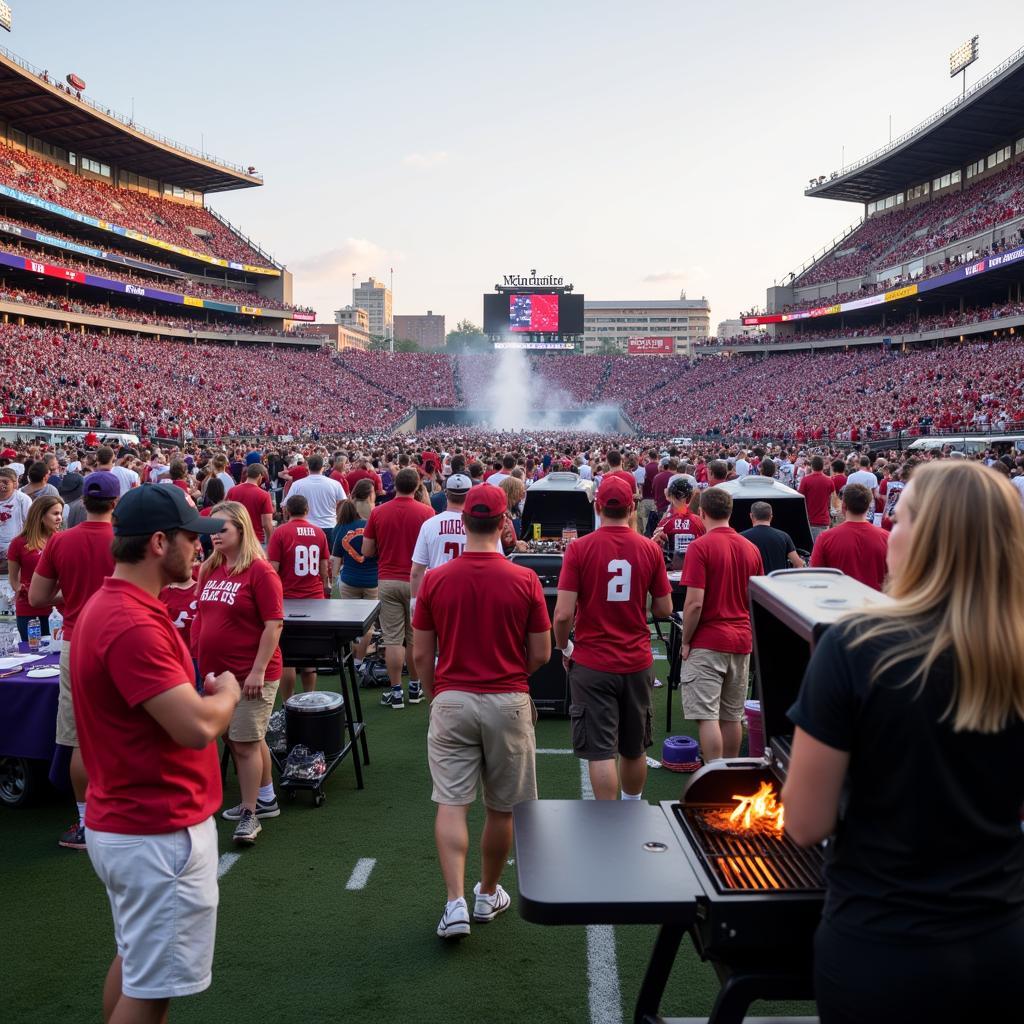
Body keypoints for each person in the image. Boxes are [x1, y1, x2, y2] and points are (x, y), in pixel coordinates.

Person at [783, 461, 1024, 1024]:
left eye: (904, 517)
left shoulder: (856, 646)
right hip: (1002, 942)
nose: (891, 526)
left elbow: (804, 823)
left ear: (926, 539)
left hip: (882, 944)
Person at [72, 485, 237, 1024]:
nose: (200, 548)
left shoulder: (116, 605)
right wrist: (228, 694)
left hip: (133, 818)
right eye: (192, 537)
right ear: (158, 542)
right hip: (155, 827)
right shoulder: (131, 621)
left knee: (136, 965)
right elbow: (194, 727)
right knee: (151, 990)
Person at [412, 483, 551, 939]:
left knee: (452, 804)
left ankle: (454, 903)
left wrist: (436, 695)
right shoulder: (525, 579)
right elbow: (542, 653)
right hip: (507, 699)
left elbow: (420, 654)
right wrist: (511, 674)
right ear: (504, 523)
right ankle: (487, 894)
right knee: (502, 808)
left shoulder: (435, 579)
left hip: (452, 697)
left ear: (464, 521)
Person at [553, 475, 672, 801]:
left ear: (597, 505)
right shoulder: (649, 549)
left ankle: (608, 823)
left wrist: (565, 647)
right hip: (635, 658)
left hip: (592, 661)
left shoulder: (578, 548)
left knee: (601, 752)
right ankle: (631, 810)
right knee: (633, 748)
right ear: (632, 507)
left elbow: (562, 614)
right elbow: (664, 608)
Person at [30, 470, 118, 850]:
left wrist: (67, 598)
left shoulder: (61, 541)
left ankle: (86, 823)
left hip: (77, 640)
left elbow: (36, 597)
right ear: (115, 502)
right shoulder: (127, 540)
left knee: (79, 737)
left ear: (83, 499)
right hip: (123, 639)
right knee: (127, 728)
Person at [193, 501, 284, 845]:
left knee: (244, 742)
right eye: (212, 529)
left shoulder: (260, 571)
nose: (214, 535)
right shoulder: (209, 568)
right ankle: (266, 798)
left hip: (251, 672)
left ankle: (250, 813)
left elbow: (274, 624)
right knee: (240, 737)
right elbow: (202, 616)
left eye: (223, 529)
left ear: (242, 531)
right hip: (217, 673)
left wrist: (258, 670)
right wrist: (199, 658)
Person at [679, 486, 764, 763]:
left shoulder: (700, 546)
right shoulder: (750, 548)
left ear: (702, 513)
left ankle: (713, 775)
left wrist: (686, 640)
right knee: (731, 716)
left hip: (709, 640)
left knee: (707, 717)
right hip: (741, 640)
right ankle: (728, 777)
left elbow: (694, 604)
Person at [361, 466, 434, 709]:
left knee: (392, 638)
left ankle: (395, 692)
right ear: (416, 487)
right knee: (414, 638)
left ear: (395, 485)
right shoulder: (427, 512)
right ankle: (414, 686)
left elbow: (367, 550)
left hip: (388, 578)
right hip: (417, 581)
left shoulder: (379, 512)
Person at [268, 493, 330, 703]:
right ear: (307, 510)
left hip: (288, 599)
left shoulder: (280, 533)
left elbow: (273, 569)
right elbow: (323, 568)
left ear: (286, 511)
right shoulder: (319, 532)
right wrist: (326, 586)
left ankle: (288, 703)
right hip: (314, 597)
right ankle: (309, 699)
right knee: (310, 654)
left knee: (288, 657)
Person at [330, 478, 378, 668]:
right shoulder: (374, 523)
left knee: (351, 623)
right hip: (373, 580)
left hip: (349, 579)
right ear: (369, 496)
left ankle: (353, 658)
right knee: (369, 625)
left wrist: (333, 580)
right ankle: (359, 661)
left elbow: (336, 557)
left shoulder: (341, 525)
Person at [809, 483, 889, 591]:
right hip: (876, 603)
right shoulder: (887, 538)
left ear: (844, 506)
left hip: (839, 603)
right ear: (868, 506)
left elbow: (816, 576)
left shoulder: (825, 538)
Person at [7, 494, 63, 642]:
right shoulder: (18, 543)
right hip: (29, 611)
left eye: (61, 514)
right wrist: (19, 588)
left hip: (59, 610)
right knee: (33, 655)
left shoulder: (63, 540)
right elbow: (13, 579)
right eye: (55, 513)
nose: (60, 518)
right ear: (40, 515)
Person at [286, 454, 347, 549]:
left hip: (305, 527)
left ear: (308, 467)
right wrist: (336, 512)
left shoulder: (297, 484)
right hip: (329, 525)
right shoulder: (335, 484)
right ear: (322, 467)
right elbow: (343, 501)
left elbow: (286, 505)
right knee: (328, 559)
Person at [651, 475, 705, 568]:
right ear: (691, 496)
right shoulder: (699, 521)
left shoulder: (665, 522)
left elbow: (655, 548)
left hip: (671, 569)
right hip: (694, 568)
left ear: (670, 495)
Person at [741, 500, 804, 573]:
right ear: (770, 517)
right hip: (776, 582)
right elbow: (798, 564)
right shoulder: (784, 536)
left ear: (751, 516)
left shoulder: (741, 537)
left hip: (753, 582)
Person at [227, 464, 274, 545]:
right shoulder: (264, 495)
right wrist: (270, 543)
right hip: (256, 539)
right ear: (259, 476)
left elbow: (226, 513)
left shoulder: (232, 490)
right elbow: (267, 523)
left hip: (235, 537)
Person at [0, 466, 32, 568]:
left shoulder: (23, 499)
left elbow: (30, 524)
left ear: (14, 484)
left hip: (14, 547)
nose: (1, 485)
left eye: (5, 482)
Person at [798, 455, 834, 545]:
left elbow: (800, 500)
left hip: (809, 520)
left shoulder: (806, 480)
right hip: (823, 521)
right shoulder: (829, 481)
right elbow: (831, 500)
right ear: (822, 466)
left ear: (812, 466)